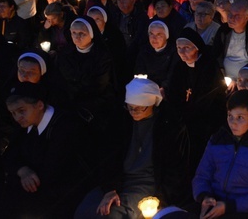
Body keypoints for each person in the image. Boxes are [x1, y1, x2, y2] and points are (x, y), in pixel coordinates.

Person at [74, 77, 190, 218]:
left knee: (111, 214)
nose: (133, 112)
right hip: (119, 178)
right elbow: (108, 157)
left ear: (152, 104)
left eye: (139, 108)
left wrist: (162, 201)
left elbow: (175, 169)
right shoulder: (121, 121)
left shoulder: (169, 126)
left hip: (148, 183)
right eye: (130, 107)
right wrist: (110, 188)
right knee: (85, 210)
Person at [1, 81, 88, 218]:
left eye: (21, 111)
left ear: (39, 105)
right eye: (13, 113)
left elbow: (54, 169)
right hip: (34, 191)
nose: (17, 117)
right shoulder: (25, 125)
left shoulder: (64, 126)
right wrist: (23, 170)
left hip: (63, 194)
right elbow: (10, 154)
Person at [192, 89, 248, 218]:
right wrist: (204, 196)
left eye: (240, 118)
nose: (233, 123)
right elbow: (201, 175)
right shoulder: (217, 139)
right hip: (213, 203)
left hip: (242, 210)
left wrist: (229, 206)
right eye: (230, 116)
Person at [167, 28, 227, 170]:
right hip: (184, 119)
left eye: (186, 48)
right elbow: (174, 93)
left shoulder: (209, 67)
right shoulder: (179, 67)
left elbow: (210, 96)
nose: (182, 52)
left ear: (197, 48)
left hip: (206, 119)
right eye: (179, 48)